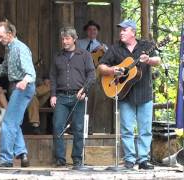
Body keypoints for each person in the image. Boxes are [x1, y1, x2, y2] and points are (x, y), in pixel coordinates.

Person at [98, 20, 161, 170]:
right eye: (120, 30)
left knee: (145, 129)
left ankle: (143, 160)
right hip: (125, 94)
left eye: (124, 30)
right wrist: (113, 70)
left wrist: (149, 60)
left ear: (133, 32)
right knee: (126, 129)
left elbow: (157, 60)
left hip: (144, 93)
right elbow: (101, 67)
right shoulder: (115, 48)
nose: (121, 32)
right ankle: (129, 160)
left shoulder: (146, 46)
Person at [0, 21, 36, 167]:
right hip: (16, 86)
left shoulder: (20, 48)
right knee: (14, 122)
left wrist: (25, 81)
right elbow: (4, 68)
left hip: (22, 86)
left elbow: (30, 72)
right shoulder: (9, 48)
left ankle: (5, 159)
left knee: (7, 123)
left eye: (1, 37)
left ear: (10, 34)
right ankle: (22, 153)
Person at [50, 26, 95, 168]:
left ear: (74, 39)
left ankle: (77, 158)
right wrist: (52, 95)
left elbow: (92, 75)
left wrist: (84, 90)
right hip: (61, 97)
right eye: (63, 38)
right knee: (57, 126)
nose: (64, 41)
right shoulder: (57, 56)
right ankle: (60, 159)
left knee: (78, 128)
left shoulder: (85, 55)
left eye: (67, 38)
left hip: (78, 95)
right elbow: (53, 77)